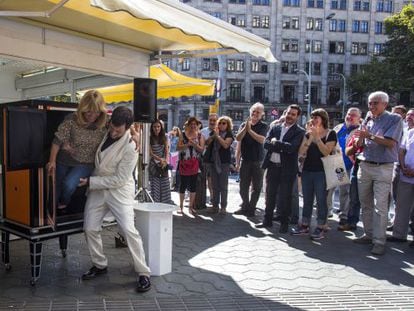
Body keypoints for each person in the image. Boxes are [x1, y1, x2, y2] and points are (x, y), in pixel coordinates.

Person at [80, 106, 151, 293]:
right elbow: (99, 107)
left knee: (128, 230)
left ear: (128, 127)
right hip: (98, 188)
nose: (112, 132)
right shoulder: (108, 128)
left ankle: (143, 272)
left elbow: (119, 179)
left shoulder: (132, 146)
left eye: (118, 130)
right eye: (111, 127)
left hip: (118, 190)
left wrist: (90, 182)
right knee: (89, 228)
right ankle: (100, 264)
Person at [353, 91, 403, 256]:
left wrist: (370, 136)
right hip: (365, 164)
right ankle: (368, 234)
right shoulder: (368, 118)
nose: (371, 106)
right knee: (365, 203)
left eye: (375, 103)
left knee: (380, 206)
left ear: (385, 104)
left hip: (383, 167)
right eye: (369, 103)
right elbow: (363, 141)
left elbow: (389, 143)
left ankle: (379, 241)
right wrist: (360, 139)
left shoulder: (394, 119)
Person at [47, 90, 108, 210]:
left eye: (96, 112)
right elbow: (57, 140)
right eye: (88, 112)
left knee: (69, 185)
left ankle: (64, 203)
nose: (92, 116)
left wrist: (134, 133)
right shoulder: (71, 119)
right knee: (55, 188)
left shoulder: (105, 122)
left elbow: (122, 124)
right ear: (82, 109)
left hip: (85, 163)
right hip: (64, 160)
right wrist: (52, 161)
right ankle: (53, 213)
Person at [256, 105, 305, 233]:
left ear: (297, 116)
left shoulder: (300, 131)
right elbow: (266, 144)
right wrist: (277, 144)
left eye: (293, 114)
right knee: (269, 195)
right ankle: (267, 221)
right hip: (272, 166)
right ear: (285, 113)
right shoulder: (275, 127)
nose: (290, 116)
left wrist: (275, 143)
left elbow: (292, 148)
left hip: (287, 169)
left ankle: (284, 224)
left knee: (285, 197)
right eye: (289, 113)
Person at [291, 108, 337, 240]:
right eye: (312, 117)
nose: (314, 120)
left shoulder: (330, 133)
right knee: (307, 199)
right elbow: (301, 152)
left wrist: (317, 137)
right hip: (307, 170)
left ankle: (321, 226)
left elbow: (326, 152)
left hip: (322, 172)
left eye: (317, 117)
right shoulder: (308, 134)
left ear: (323, 119)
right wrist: (310, 137)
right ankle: (304, 225)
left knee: (321, 200)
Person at [327, 108, 361, 228]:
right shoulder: (339, 127)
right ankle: (328, 211)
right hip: (336, 163)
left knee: (344, 192)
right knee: (329, 189)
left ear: (359, 118)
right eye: (348, 114)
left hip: (349, 165)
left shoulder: (359, 130)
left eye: (353, 115)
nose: (350, 117)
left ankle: (343, 216)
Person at [234, 102, 268, 217]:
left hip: (258, 160)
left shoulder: (264, 126)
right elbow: (238, 138)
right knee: (243, 186)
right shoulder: (244, 124)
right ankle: (245, 206)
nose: (255, 113)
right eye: (254, 111)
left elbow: (262, 140)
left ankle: (251, 208)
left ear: (262, 114)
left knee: (257, 187)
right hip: (246, 160)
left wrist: (250, 131)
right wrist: (245, 128)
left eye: (258, 112)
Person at [388, 108, 414, 244]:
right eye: (409, 115)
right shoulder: (409, 133)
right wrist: (403, 167)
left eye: (413, 115)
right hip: (406, 175)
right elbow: (402, 150)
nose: (410, 117)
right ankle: (399, 235)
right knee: (401, 205)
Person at [204, 116, 234, 214]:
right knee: (214, 185)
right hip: (213, 162)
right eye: (220, 123)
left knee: (223, 186)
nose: (221, 125)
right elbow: (206, 143)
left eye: (224, 123)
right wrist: (213, 136)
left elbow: (226, 145)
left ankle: (223, 207)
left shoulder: (229, 134)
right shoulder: (214, 133)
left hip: (224, 163)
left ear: (228, 125)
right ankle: (215, 206)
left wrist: (218, 136)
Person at [177, 116, 205, 215]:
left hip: (194, 163)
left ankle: (190, 207)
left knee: (193, 185)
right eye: (191, 124)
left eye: (195, 124)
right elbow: (178, 148)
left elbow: (201, 150)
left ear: (197, 126)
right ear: (188, 125)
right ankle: (180, 206)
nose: (193, 126)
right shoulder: (182, 135)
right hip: (184, 162)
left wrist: (194, 144)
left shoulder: (200, 136)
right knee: (182, 185)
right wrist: (187, 144)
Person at [149, 119, 171, 203]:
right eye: (154, 127)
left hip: (163, 163)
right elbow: (150, 153)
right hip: (154, 164)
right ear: (152, 128)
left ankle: (165, 203)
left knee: (165, 185)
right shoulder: (149, 138)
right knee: (155, 186)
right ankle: (155, 204)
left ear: (161, 127)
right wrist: (159, 159)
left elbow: (166, 151)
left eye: (158, 126)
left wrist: (165, 160)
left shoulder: (164, 137)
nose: (156, 128)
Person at [199, 113, 218, 208]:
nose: (212, 122)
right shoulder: (203, 131)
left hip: (216, 160)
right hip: (205, 159)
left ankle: (212, 198)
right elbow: (204, 144)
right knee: (204, 180)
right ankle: (202, 200)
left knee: (212, 181)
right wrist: (213, 136)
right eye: (210, 120)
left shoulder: (220, 130)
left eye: (214, 120)